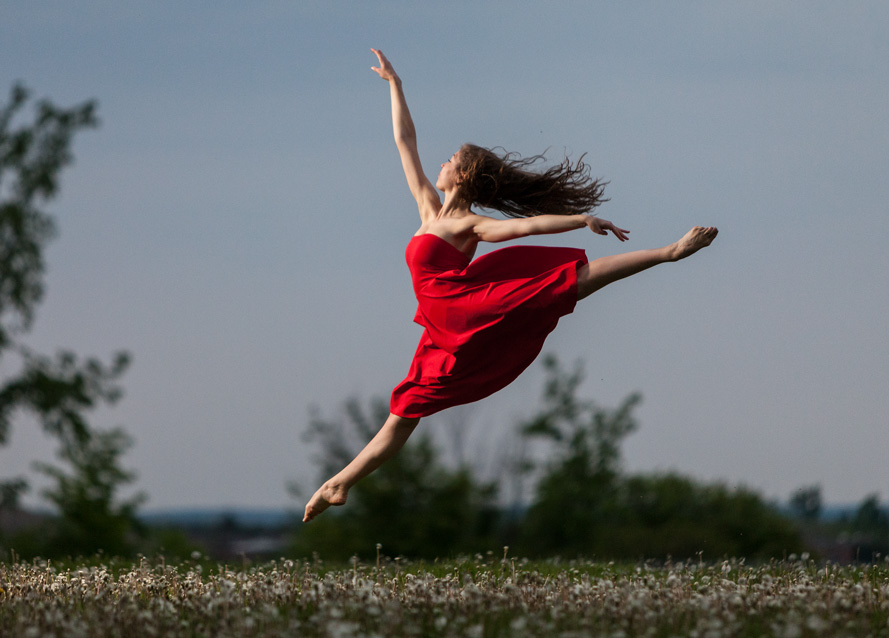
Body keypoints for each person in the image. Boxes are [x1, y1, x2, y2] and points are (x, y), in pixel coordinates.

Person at [303, 49, 717, 522]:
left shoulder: (469, 226)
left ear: (462, 176)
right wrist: (394, 84)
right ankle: (340, 483)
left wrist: (582, 219)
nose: (439, 162)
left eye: (450, 159)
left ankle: (669, 252)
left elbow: (526, 228)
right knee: (406, 407)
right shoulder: (427, 208)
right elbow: (405, 141)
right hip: (440, 326)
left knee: (568, 282)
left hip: (465, 308)